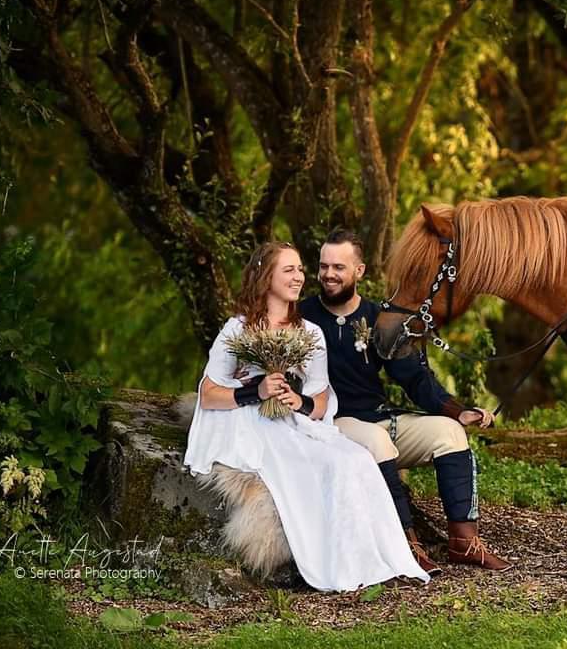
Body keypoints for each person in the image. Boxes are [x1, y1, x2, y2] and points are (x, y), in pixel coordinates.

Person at [183, 241, 429, 591]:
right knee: (311, 468)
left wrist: (299, 401)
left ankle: (377, 558)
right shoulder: (238, 328)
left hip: (293, 420)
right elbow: (208, 393)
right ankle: (331, 566)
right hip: (250, 422)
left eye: (300, 269)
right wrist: (256, 391)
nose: (300, 277)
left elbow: (323, 396)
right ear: (266, 277)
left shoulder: (309, 332)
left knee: (355, 459)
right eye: (289, 270)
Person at [300, 229, 511, 573]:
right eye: (324, 266)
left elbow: (415, 378)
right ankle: (405, 546)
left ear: (360, 271)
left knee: (448, 434)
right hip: (335, 424)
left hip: (380, 418)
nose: (328, 274)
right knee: (377, 439)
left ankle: (463, 542)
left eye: (339, 266)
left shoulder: (379, 318)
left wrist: (459, 413)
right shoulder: (303, 317)